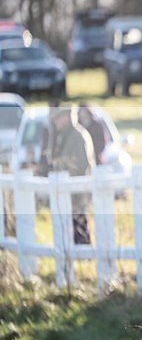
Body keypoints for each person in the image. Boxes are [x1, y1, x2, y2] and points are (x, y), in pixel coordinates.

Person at [49, 105, 95, 245]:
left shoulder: (77, 136)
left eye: (58, 119)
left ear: (66, 118)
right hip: (70, 191)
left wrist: (64, 172)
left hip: (77, 191)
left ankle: (85, 257)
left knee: (79, 226)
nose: (55, 122)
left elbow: (82, 165)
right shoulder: (66, 136)